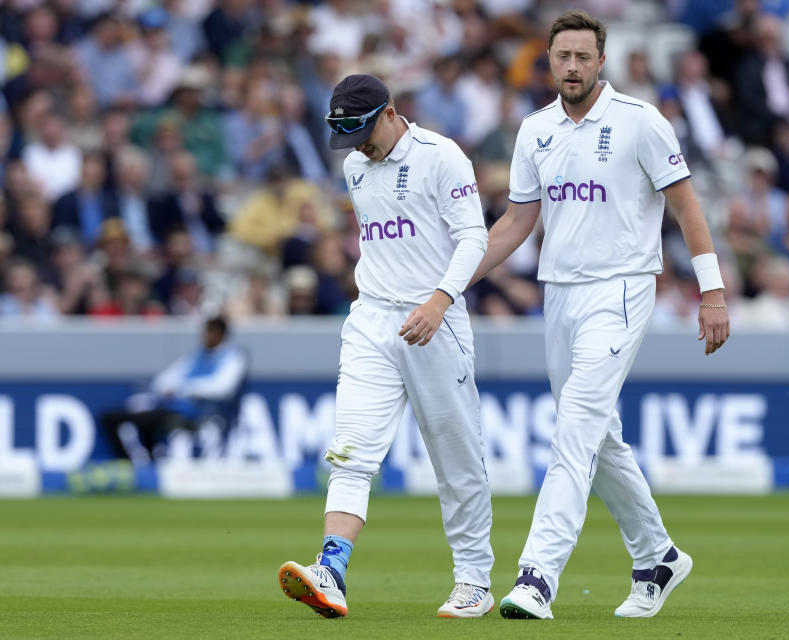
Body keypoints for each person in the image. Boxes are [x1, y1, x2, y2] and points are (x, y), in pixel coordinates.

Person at [470, 10, 730, 620]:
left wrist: (712, 292)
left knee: (575, 429)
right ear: (550, 59)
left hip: (621, 290)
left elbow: (688, 208)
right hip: (558, 293)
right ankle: (657, 555)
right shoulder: (534, 130)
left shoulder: (642, 122)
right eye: (563, 56)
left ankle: (537, 576)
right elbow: (515, 223)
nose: (573, 66)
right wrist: (448, 285)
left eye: (584, 56)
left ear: (601, 61)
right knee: (595, 433)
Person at [277, 74, 494, 619]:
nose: (357, 148)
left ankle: (474, 580)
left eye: (363, 133)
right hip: (371, 320)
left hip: (435, 323)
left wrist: (440, 300)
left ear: (390, 113)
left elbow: (474, 237)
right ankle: (331, 569)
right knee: (350, 452)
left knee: (456, 460)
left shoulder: (442, 156)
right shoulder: (355, 165)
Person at [101, 315, 248, 463]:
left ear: (220, 333)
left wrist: (185, 389)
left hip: (200, 414)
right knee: (113, 418)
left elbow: (222, 388)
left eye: (209, 332)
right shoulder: (197, 356)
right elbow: (165, 379)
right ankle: (135, 463)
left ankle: (143, 464)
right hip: (171, 408)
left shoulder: (232, 357)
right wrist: (167, 388)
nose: (205, 336)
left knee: (148, 420)